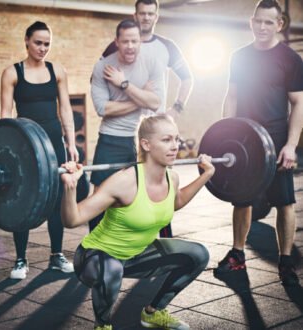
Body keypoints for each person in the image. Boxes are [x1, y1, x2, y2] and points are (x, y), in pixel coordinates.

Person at [60, 115, 214, 330]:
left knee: (198, 255)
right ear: (146, 144)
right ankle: (102, 325)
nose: (175, 146)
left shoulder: (172, 177)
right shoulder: (124, 181)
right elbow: (72, 219)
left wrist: (207, 174)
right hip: (95, 258)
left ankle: (153, 313)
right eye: (167, 140)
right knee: (112, 269)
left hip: (135, 256)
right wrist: (70, 187)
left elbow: (176, 201)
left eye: (176, 139)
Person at [216, 0, 303, 287]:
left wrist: (291, 145)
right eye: (258, 21)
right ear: (251, 23)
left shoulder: (289, 59)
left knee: (284, 201)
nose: (262, 27)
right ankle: (237, 255)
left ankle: (286, 261)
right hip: (244, 137)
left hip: (276, 138)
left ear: (279, 25)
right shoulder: (239, 57)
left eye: (269, 22)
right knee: (241, 198)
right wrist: (225, 136)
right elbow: (232, 96)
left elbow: (298, 103)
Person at [97, 0, 194, 237]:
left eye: (151, 13)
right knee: (112, 192)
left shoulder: (167, 47)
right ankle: (112, 246)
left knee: (158, 189)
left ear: (157, 16)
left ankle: (164, 246)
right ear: (135, 14)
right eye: (142, 13)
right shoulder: (114, 47)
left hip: (153, 131)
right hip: (119, 131)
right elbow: (101, 82)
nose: (146, 18)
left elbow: (187, 78)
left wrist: (176, 109)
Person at [0, 21, 79, 280]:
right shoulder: (12, 73)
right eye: (38, 42)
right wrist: (7, 148)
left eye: (47, 43)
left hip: (53, 141)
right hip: (25, 145)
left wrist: (71, 143)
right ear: (26, 41)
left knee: (56, 199)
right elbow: (5, 116)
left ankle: (56, 255)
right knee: (23, 198)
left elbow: (65, 109)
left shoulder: (57, 71)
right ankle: (21, 259)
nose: (42, 48)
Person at [88, 18, 162, 231]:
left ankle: (130, 251)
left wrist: (124, 85)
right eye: (126, 41)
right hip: (110, 139)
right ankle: (93, 252)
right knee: (100, 199)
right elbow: (103, 109)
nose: (130, 46)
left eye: (134, 41)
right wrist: (140, 98)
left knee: (136, 199)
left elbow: (155, 103)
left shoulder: (151, 63)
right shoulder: (103, 67)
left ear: (140, 42)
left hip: (140, 140)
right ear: (117, 42)